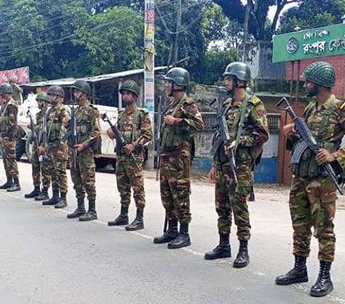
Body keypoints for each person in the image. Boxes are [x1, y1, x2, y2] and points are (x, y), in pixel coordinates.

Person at [275, 61, 345, 297]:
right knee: (300, 224)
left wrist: (335, 155)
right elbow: (302, 142)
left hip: (323, 179)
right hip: (302, 176)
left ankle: (325, 276)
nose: (305, 85)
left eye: (308, 81)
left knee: (324, 228)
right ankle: (299, 268)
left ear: (320, 84)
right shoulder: (312, 108)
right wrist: (292, 133)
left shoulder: (341, 109)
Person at [205, 62, 269, 268]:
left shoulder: (254, 105)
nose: (226, 82)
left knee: (239, 207)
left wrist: (240, 141)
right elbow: (218, 138)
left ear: (239, 81)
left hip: (241, 166)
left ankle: (243, 249)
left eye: (229, 78)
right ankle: (224, 245)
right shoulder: (226, 105)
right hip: (223, 164)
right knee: (221, 206)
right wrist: (215, 164)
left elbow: (263, 135)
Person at [152, 67, 205, 249]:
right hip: (167, 156)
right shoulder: (171, 105)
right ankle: (172, 229)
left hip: (179, 158)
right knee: (167, 195)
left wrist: (178, 121)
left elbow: (199, 125)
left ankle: (184, 233)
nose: (166, 85)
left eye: (169, 82)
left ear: (178, 84)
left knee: (180, 194)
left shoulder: (188, 104)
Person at [106, 80, 153, 231]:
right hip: (121, 157)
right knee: (122, 187)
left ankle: (139, 218)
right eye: (123, 94)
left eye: (127, 94)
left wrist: (134, 145)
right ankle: (123, 214)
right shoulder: (121, 115)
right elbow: (115, 132)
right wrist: (111, 133)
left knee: (137, 188)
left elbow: (148, 135)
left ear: (134, 95)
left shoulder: (141, 114)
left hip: (134, 158)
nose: (125, 96)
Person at [66, 80, 102, 221]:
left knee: (88, 181)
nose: (75, 93)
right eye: (74, 91)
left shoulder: (91, 111)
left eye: (77, 91)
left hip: (85, 152)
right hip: (74, 150)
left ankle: (92, 210)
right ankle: (80, 207)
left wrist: (84, 145)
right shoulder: (76, 111)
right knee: (76, 180)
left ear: (84, 94)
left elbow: (96, 132)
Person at [42, 86, 70, 208]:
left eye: (52, 95)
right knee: (52, 171)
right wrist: (44, 144)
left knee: (61, 172)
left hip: (59, 146)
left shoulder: (62, 110)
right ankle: (55, 195)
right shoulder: (50, 111)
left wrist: (61, 147)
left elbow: (64, 129)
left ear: (59, 97)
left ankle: (63, 198)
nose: (50, 97)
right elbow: (45, 129)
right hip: (51, 145)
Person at [25, 93, 53, 199]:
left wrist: (36, 128)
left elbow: (45, 129)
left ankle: (45, 190)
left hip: (44, 143)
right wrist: (33, 127)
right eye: (38, 101)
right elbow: (38, 128)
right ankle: (36, 188)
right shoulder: (39, 114)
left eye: (40, 101)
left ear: (45, 102)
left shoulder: (48, 114)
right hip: (37, 142)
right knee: (35, 165)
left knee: (45, 168)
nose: (38, 103)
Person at [0, 83, 21, 192]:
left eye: (2, 93)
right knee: (5, 160)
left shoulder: (12, 105)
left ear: (6, 93)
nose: (1, 95)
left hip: (9, 138)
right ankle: (9, 180)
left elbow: (13, 123)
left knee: (11, 160)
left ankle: (16, 183)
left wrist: (10, 138)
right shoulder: (4, 104)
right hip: (3, 136)